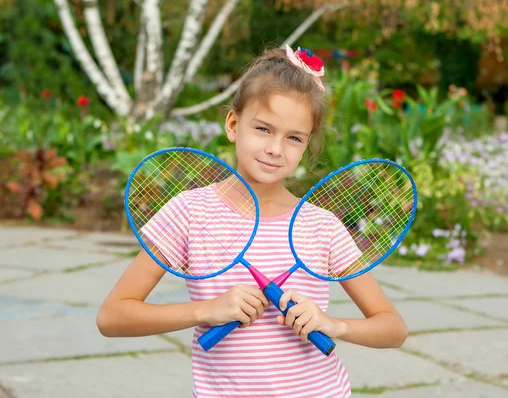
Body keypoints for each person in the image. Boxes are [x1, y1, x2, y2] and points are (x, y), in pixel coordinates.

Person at [97, 45, 408, 398]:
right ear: (233, 124)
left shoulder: (322, 226)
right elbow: (113, 317)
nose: (276, 148)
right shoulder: (190, 213)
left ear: (306, 144)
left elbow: (392, 329)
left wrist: (332, 324)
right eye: (263, 129)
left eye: (294, 137)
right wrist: (207, 310)